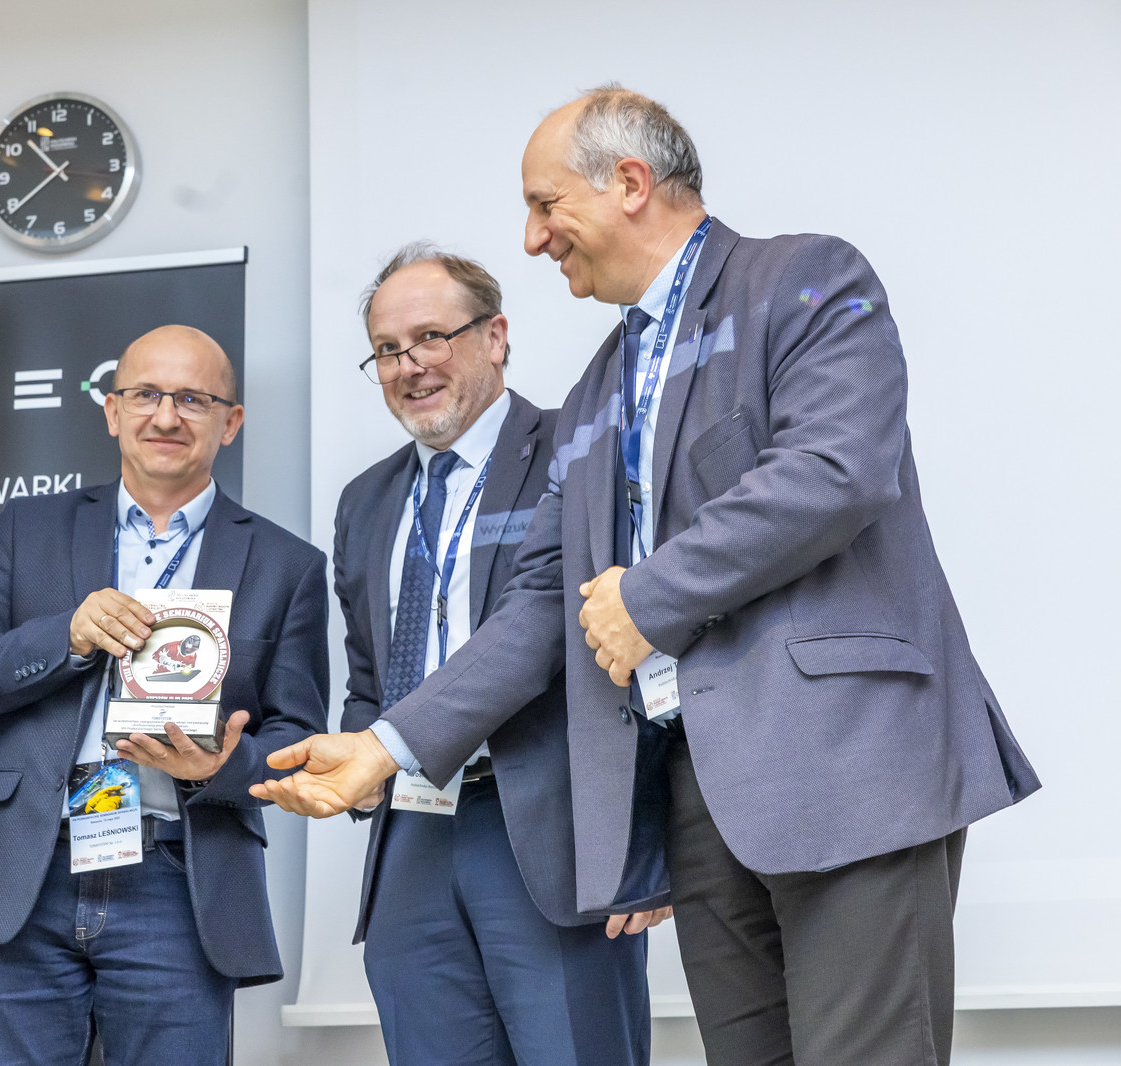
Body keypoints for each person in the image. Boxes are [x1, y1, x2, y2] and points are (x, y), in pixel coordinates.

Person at [254, 85, 1041, 1066]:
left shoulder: (804, 278)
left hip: (842, 763)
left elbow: (834, 470)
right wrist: (385, 746)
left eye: (545, 205)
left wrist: (645, 597)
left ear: (629, 182)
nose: (533, 239)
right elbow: (540, 603)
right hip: (698, 796)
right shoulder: (596, 388)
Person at [0, 325, 329, 1066]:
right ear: (111, 410)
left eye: (193, 399)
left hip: (177, 879)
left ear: (230, 421)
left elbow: (299, 742)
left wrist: (221, 767)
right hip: (23, 871)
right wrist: (66, 636)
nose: (166, 416)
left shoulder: (286, 563)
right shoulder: (29, 528)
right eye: (145, 395)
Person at [336, 242, 659, 1065]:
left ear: (495, 336)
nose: (410, 366)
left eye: (431, 337)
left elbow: (641, 647)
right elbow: (368, 674)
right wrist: (356, 766)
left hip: (549, 834)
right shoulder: (363, 501)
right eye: (387, 350)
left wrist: (649, 840)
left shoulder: (578, 450)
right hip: (411, 835)